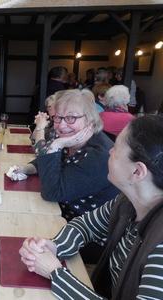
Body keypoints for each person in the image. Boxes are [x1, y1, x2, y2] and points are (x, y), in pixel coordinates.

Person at [19, 115, 163, 300]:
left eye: (116, 148)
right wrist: (54, 246)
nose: (110, 151)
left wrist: (55, 273)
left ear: (137, 171)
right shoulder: (127, 202)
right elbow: (85, 225)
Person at [17, 89, 119, 220]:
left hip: (80, 228)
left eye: (71, 118)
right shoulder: (72, 140)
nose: (62, 125)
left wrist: (56, 145)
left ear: (89, 120)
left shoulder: (100, 156)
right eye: (58, 117)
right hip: (56, 212)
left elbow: (51, 192)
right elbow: (45, 161)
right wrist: (25, 169)